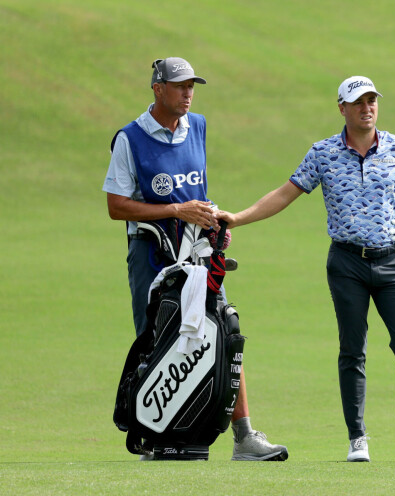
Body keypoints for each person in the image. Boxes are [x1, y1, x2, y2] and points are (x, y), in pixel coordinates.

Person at [216, 76, 395, 462]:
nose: (367, 108)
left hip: (392, 262)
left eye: (372, 100)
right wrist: (237, 219)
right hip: (346, 263)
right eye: (358, 102)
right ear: (342, 108)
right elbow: (285, 194)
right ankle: (357, 439)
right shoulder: (323, 153)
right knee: (353, 350)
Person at [103, 57, 288, 461]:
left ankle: (244, 437)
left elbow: (197, 192)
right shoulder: (130, 138)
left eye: (192, 86)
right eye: (180, 86)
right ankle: (153, 436)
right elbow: (116, 206)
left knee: (223, 330)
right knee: (156, 338)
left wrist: (213, 221)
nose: (188, 94)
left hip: (198, 252)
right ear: (158, 89)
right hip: (151, 253)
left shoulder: (198, 126)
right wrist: (176, 211)